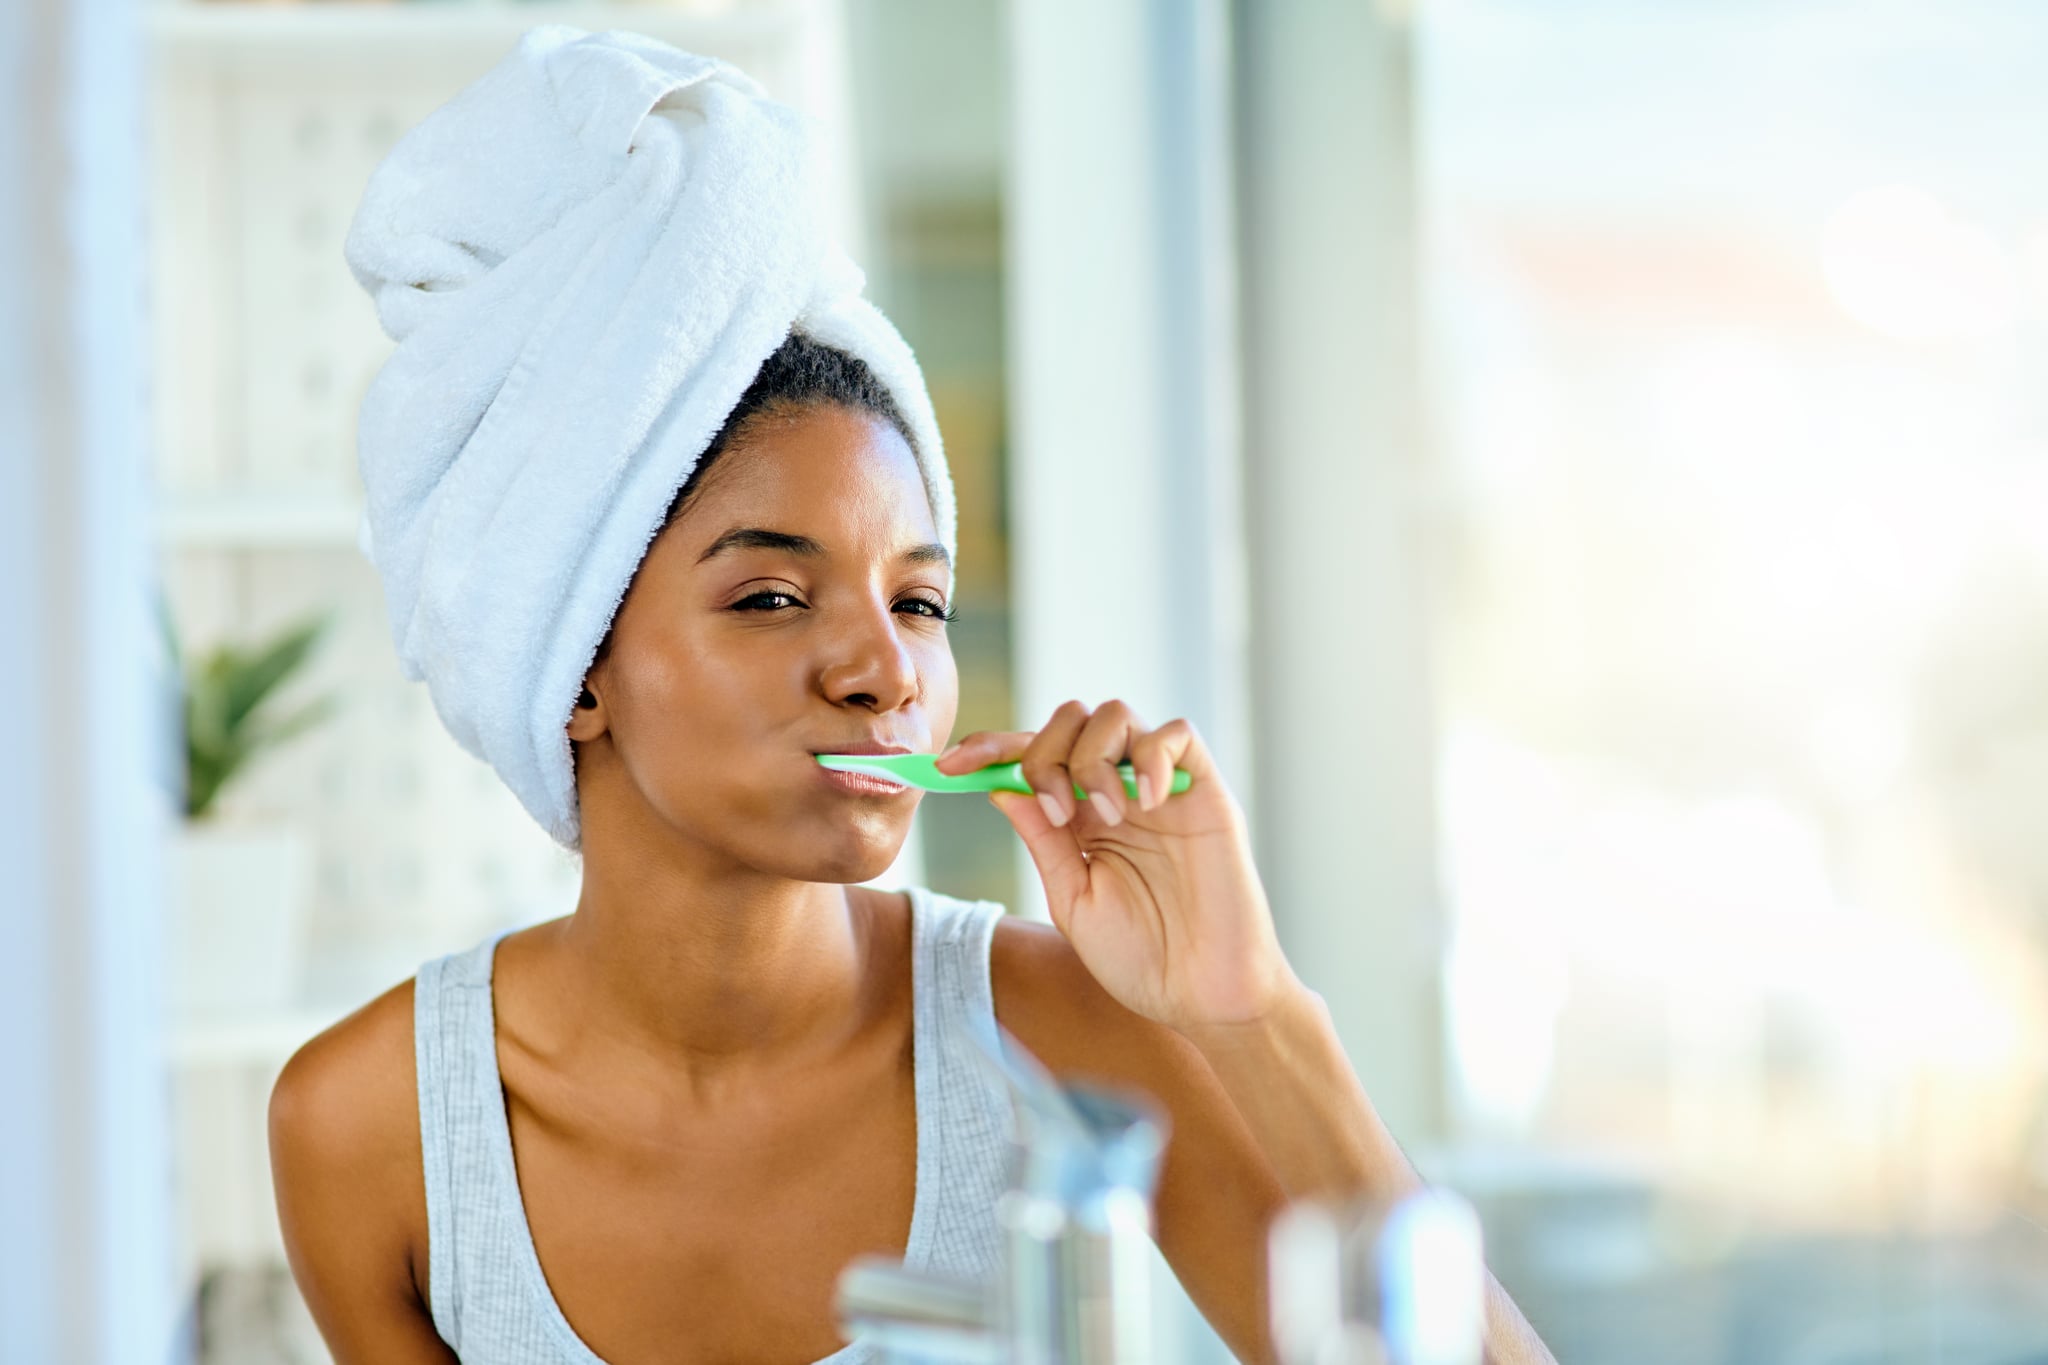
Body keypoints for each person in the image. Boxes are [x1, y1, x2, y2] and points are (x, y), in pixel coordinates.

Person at [270, 27, 1555, 1365]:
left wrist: (1255, 1016)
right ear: (573, 667)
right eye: (771, 596)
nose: (883, 669)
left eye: (920, 602)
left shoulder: (1071, 1043)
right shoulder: (374, 1132)